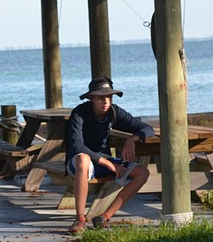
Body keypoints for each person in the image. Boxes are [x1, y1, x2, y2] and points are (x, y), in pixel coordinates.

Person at [64, 76, 155, 234]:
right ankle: (80, 219)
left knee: (142, 172)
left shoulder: (114, 112)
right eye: (100, 97)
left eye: (108, 97)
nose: (105, 101)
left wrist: (131, 139)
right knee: (83, 159)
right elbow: (76, 146)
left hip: (106, 163)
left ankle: (104, 216)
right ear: (91, 98)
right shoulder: (79, 113)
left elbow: (148, 129)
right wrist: (109, 164)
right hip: (79, 164)